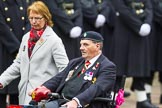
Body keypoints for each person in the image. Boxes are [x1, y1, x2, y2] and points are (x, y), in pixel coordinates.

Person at [0, 1, 69, 105]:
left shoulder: (54, 40)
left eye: (37, 18)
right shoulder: (26, 37)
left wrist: (52, 89)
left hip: (43, 98)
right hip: (25, 95)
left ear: (45, 18)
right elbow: (18, 63)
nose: (33, 21)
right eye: (31, 18)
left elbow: (65, 69)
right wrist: (2, 80)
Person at [29, 31, 116, 108]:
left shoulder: (107, 67)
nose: (81, 48)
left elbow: (97, 88)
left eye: (85, 44)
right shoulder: (75, 62)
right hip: (61, 101)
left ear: (97, 46)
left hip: (85, 104)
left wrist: (76, 101)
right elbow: (58, 78)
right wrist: (42, 88)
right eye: (81, 44)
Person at [111, 0, 158, 108]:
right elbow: (121, 8)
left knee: (139, 68)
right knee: (119, 70)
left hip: (141, 33)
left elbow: (149, 7)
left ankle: (142, 100)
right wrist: (138, 25)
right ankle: (113, 100)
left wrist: (147, 23)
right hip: (123, 30)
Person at [0, 0, 34, 107]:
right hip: (3, 49)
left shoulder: (23, 2)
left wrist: (26, 41)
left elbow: (29, 21)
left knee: (18, 91)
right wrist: (17, 47)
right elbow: (2, 26)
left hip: (22, 49)